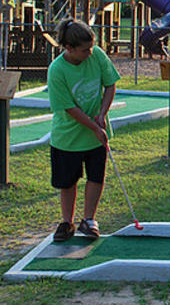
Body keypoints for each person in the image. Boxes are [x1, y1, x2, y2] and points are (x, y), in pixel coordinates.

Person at [48, 18, 120, 242]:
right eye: (84, 50)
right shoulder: (57, 70)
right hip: (68, 137)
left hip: (96, 132)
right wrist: (93, 125)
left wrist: (102, 114)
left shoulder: (96, 55)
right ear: (68, 48)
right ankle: (66, 222)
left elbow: (110, 84)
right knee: (68, 181)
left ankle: (89, 220)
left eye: (91, 47)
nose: (90, 52)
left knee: (96, 177)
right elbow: (69, 107)